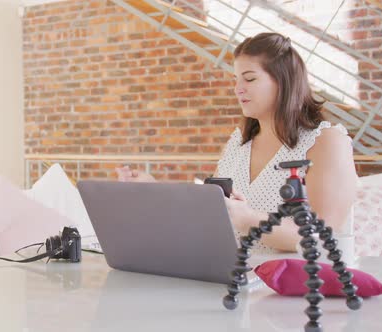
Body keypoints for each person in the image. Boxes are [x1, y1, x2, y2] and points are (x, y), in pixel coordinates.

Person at [116, 32, 358, 253]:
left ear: (284, 82)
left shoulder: (326, 141)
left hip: (295, 287)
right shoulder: (238, 144)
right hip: (235, 278)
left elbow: (322, 234)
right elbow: (211, 213)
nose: (238, 89)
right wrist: (153, 191)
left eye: (250, 79)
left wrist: (249, 220)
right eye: (236, 79)